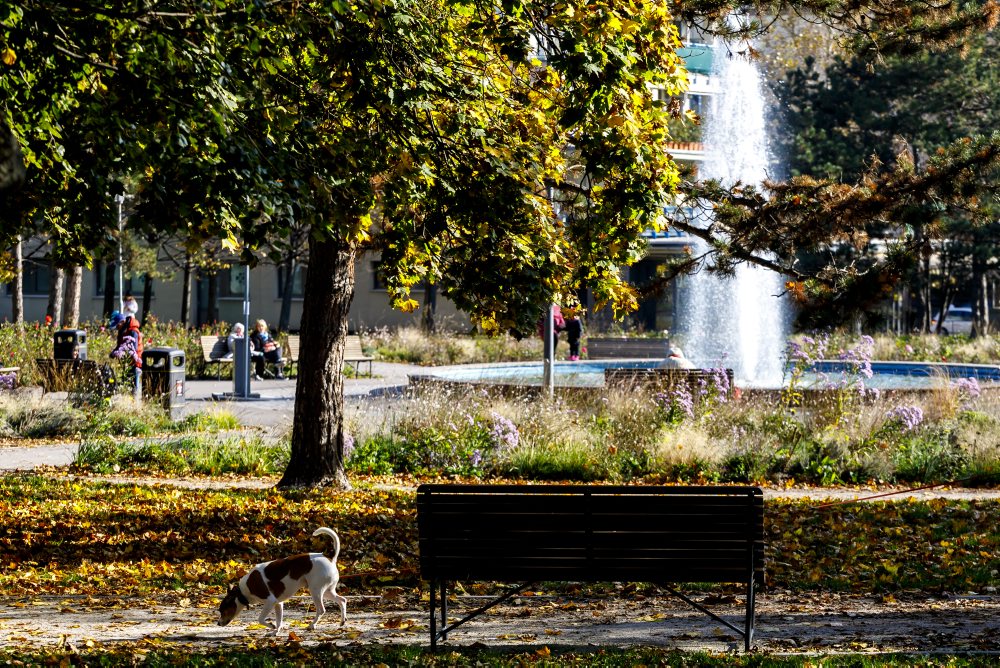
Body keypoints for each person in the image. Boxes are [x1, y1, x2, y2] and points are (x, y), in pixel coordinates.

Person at [109, 310, 143, 399]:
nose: (116, 328)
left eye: (117, 325)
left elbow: (133, 349)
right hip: (126, 363)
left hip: (135, 362)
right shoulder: (122, 331)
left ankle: (134, 404)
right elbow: (120, 346)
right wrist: (114, 352)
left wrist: (122, 353)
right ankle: (127, 401)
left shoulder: (133, 331)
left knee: (134, 387)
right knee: (125, 384)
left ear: (122, 322)